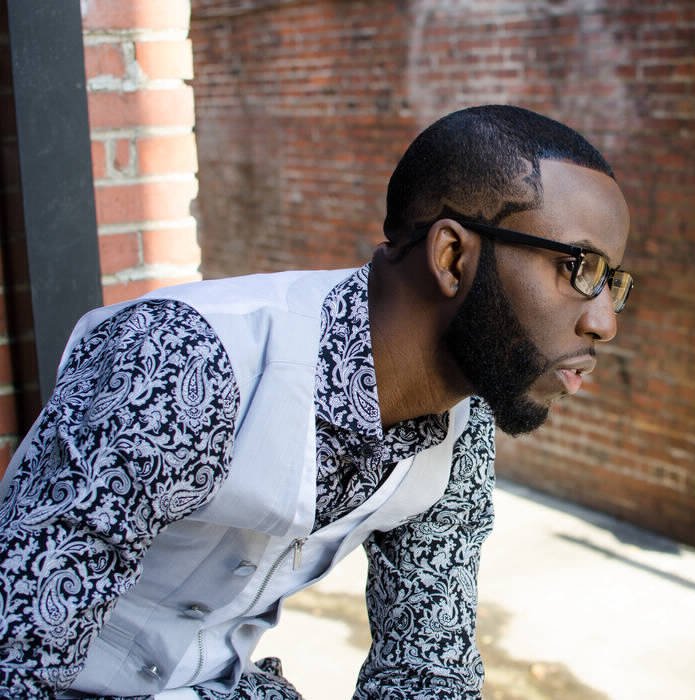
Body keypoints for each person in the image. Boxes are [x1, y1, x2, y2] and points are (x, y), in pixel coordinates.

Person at [0, 104, 633, 699]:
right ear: (450, 256)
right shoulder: (184, 359)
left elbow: (426, 664)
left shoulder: (460, 428)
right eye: (578, 267)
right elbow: (16, 650)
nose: (604, 322)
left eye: (614, 282)